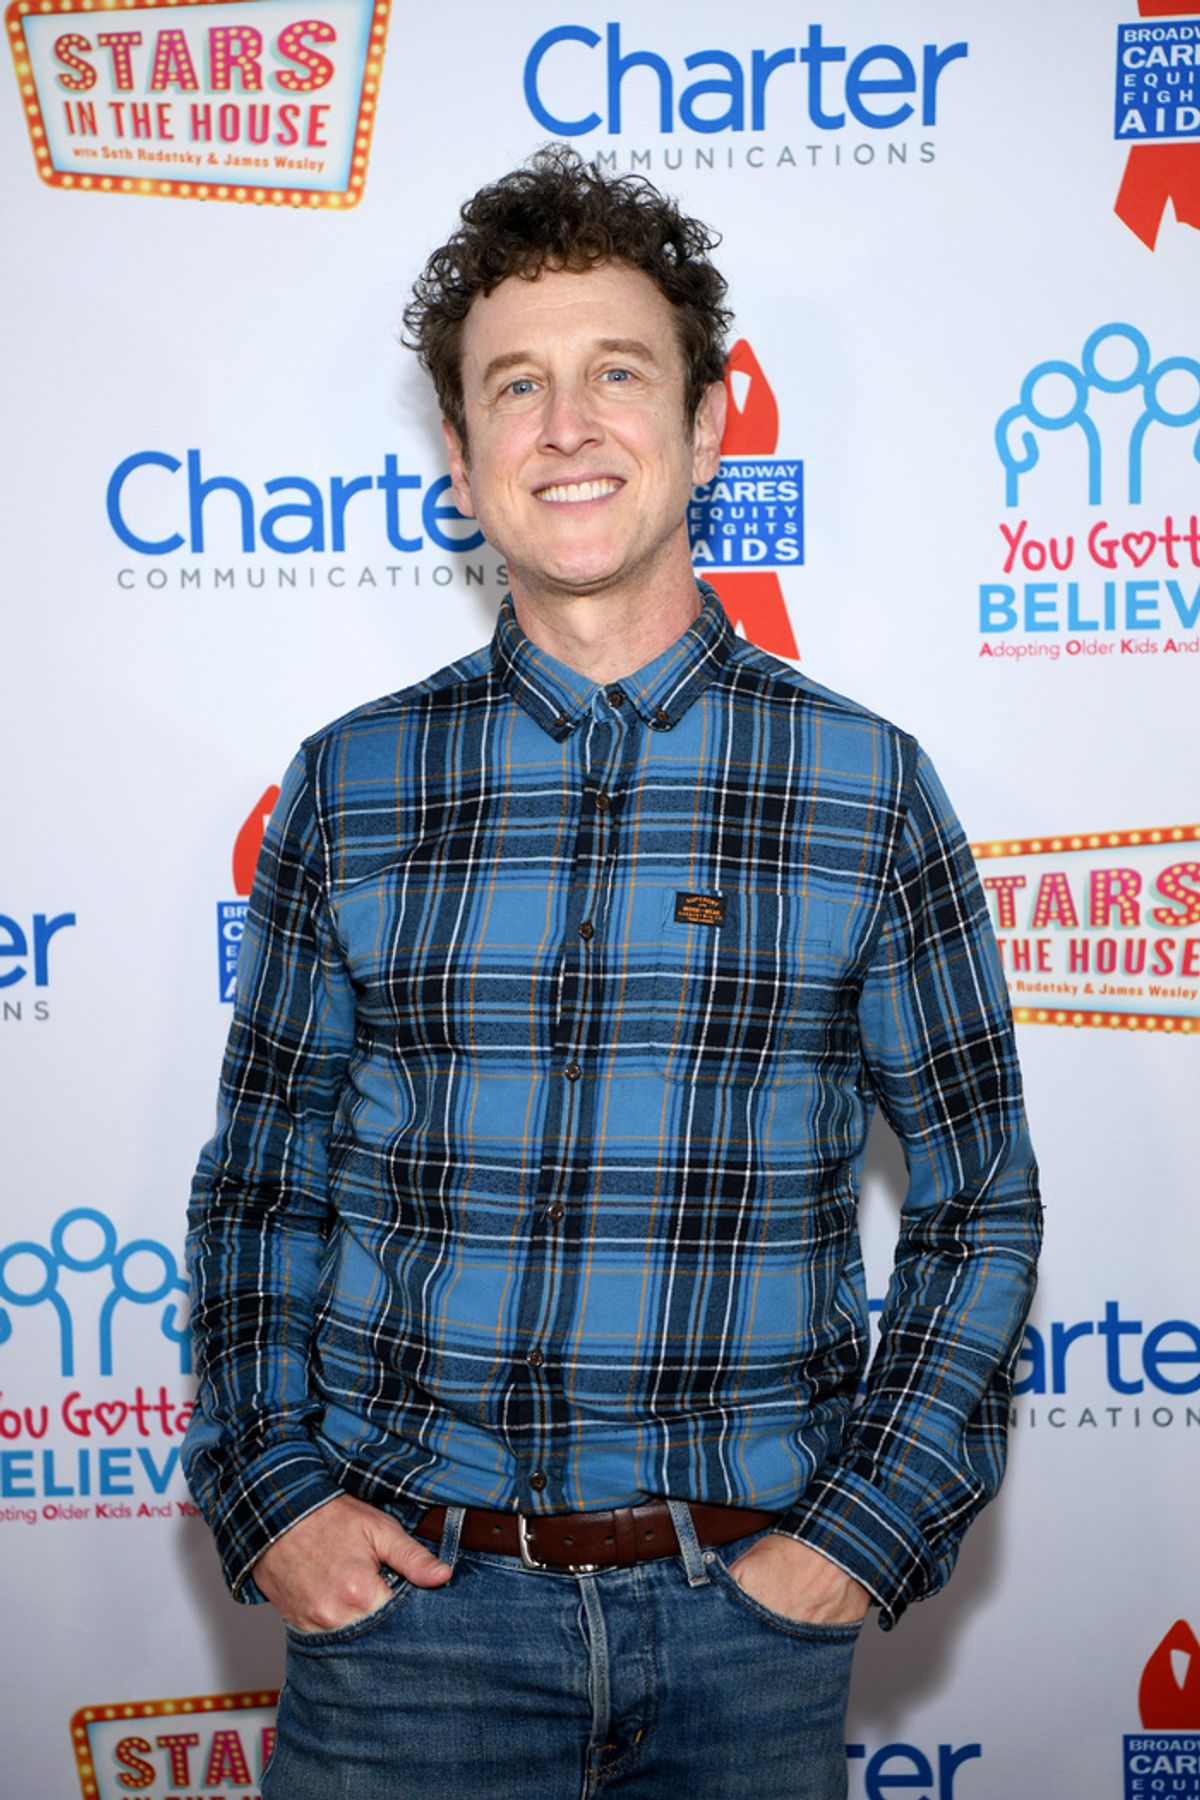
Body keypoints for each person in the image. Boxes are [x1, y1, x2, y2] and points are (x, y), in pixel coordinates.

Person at [184, 147, 1042, 1800]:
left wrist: (858, 1538)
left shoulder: (864, 788)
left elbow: (978, 1200)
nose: (567, 425)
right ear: (461, 455)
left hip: (747, 1640)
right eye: (517, 384)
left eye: (618, 374)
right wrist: (274, 1499)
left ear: (710, 424)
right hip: (406, 1639)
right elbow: (262, 1186)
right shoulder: (353, 787)